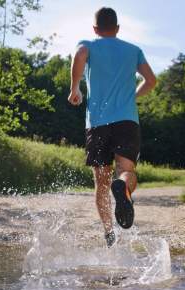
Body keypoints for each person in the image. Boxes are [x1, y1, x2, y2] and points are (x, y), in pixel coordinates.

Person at [68, 7, 157, 247]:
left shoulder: (89, 44)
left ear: (95, 29)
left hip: (97, 124)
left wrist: (75, 87)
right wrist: (133, 97)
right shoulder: (133, 50)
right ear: (117, 29)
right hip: (127, 121)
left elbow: (80, 53)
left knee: (101, 182)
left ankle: (109, 233)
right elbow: (151, 81)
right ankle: (124, 188)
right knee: (125, 170)